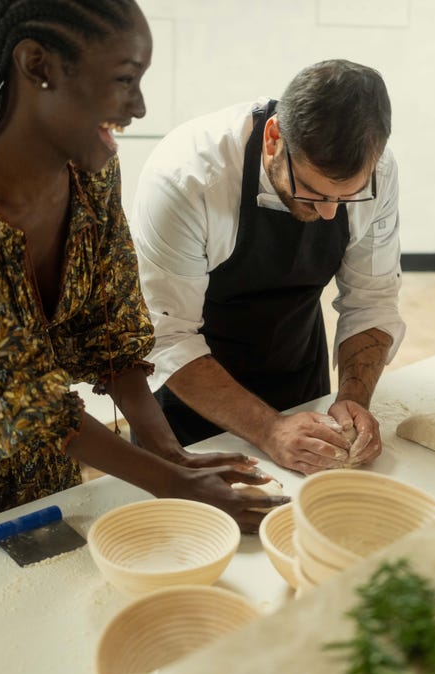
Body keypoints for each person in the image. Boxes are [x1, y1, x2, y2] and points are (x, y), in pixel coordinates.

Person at [0, 0, 284, 567]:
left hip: (41, 459)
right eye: (125, 79)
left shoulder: (92, 176)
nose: (140, 107)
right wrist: (169, 483)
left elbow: (112, 332)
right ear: (38, 65)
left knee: (43, 613)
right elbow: (8, 396)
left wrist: (168, 451)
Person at [131, 59, 405, 476]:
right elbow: (168, 337)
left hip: (296, 369)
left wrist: (353, 397)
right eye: (312, 192)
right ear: (274, 138)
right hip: (190, 393)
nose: (330, 214)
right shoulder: (187, 177)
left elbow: (372, 300)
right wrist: (270, 429)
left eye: (344, 198)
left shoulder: (378, 175)